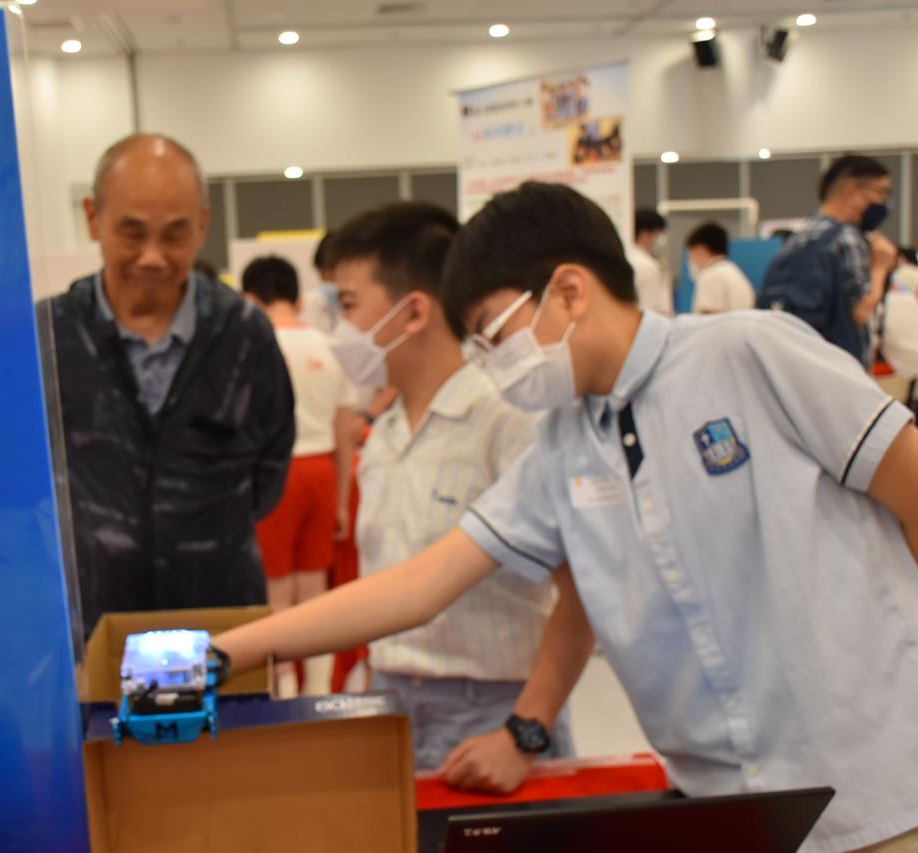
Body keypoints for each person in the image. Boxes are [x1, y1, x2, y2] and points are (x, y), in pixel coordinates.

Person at [215, 181, 918, 853]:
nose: (491, 363)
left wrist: (890, 679)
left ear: (569, 291)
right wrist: (225, 651)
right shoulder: (564, 443)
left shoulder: (747, 354)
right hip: (727, 804)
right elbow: (421, 583)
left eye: (495, 332)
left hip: (878, 798)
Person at [327, 201, 573, 771]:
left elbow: (579, 592)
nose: (339, 329)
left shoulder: (505, 419)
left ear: (413, 312)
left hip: (491, 711)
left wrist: (524, 731)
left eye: (348, 305)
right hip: (391, 702)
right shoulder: (384, 435)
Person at [41, 134, 295, 638]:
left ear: (202, 224)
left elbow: (270, 473)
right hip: (92, 626)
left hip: (222, 622)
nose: (153, 257)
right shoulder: (50, 336)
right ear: (93, 217)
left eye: (175, 235)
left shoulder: (245, 334)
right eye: (132, 233)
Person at [241, 255, 357, 698]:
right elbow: (345, 430)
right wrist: (342, 499)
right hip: (322, 471)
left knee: (276, 591)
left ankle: (285, 691)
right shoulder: (330, 346)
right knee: (314, 586)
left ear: (250, 299)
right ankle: (320, 688)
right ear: (298, 298)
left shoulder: (254, 346)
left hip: (277, 475)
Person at [758, 155, 899, 367]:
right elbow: (861, 312)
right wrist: (880, 266)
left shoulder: (799, 237)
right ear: (852, 192)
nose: (883, 202)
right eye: (881, 192)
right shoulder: (846, 237)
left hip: (799, 363)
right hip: (838, 365)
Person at [686, 222, 755, 314]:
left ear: (700, 249)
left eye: (691, 252)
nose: (690, 258)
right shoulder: (734, 272)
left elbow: (708, 318)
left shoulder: (710, 276)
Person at [625, 208, 672, 316]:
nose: (660, 240)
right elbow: (651, 308)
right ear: (645, 233)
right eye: (659, 234)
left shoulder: (627, 257)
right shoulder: (647, 265)